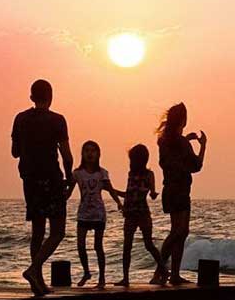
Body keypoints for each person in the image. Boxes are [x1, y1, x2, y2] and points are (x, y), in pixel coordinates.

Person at [11, 79, 73, 296]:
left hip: (29, 180)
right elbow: (66, 155)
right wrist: (69, 179)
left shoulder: (20, 119)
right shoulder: (57, 120)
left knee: (37, 231)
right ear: (51, 96)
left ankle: (37, 282)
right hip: (52, 179)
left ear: (31, 97)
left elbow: (15, 152)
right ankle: (34, 269)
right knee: (57, 231)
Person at [155, 103, 207, 285]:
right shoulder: (181, 143)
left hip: (169, 190)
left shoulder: (164, 141)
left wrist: (186, 139)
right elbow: (196, 166)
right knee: (179, 232)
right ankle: (161, 271)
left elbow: (172, 158)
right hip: (181, 190)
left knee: (179, 232)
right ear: (183, 120)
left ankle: (170, 273)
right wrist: (203, 146)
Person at [67, 140, 122, 288]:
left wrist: (119, 203)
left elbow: (110, 189)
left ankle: (102, 278)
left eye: (93, 150)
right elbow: (68, 192)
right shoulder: (77, 173)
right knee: (80, 244)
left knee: (98, 246)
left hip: (98, 213)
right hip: (83, 213)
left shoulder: (102, 173)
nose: (90, 153)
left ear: (98, 154)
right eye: (86, 151)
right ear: (82, 154)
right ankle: (86, 272)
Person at [115, 144, 165, 286]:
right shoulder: (130, 175)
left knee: (148, 244)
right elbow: (128, 194)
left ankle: (163, 269)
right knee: (127, 246)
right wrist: (112, 191)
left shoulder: (149, 174)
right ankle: (125, 278)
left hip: (142, 213)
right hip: (130, 214)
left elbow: (152, 193)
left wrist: (153, 193)